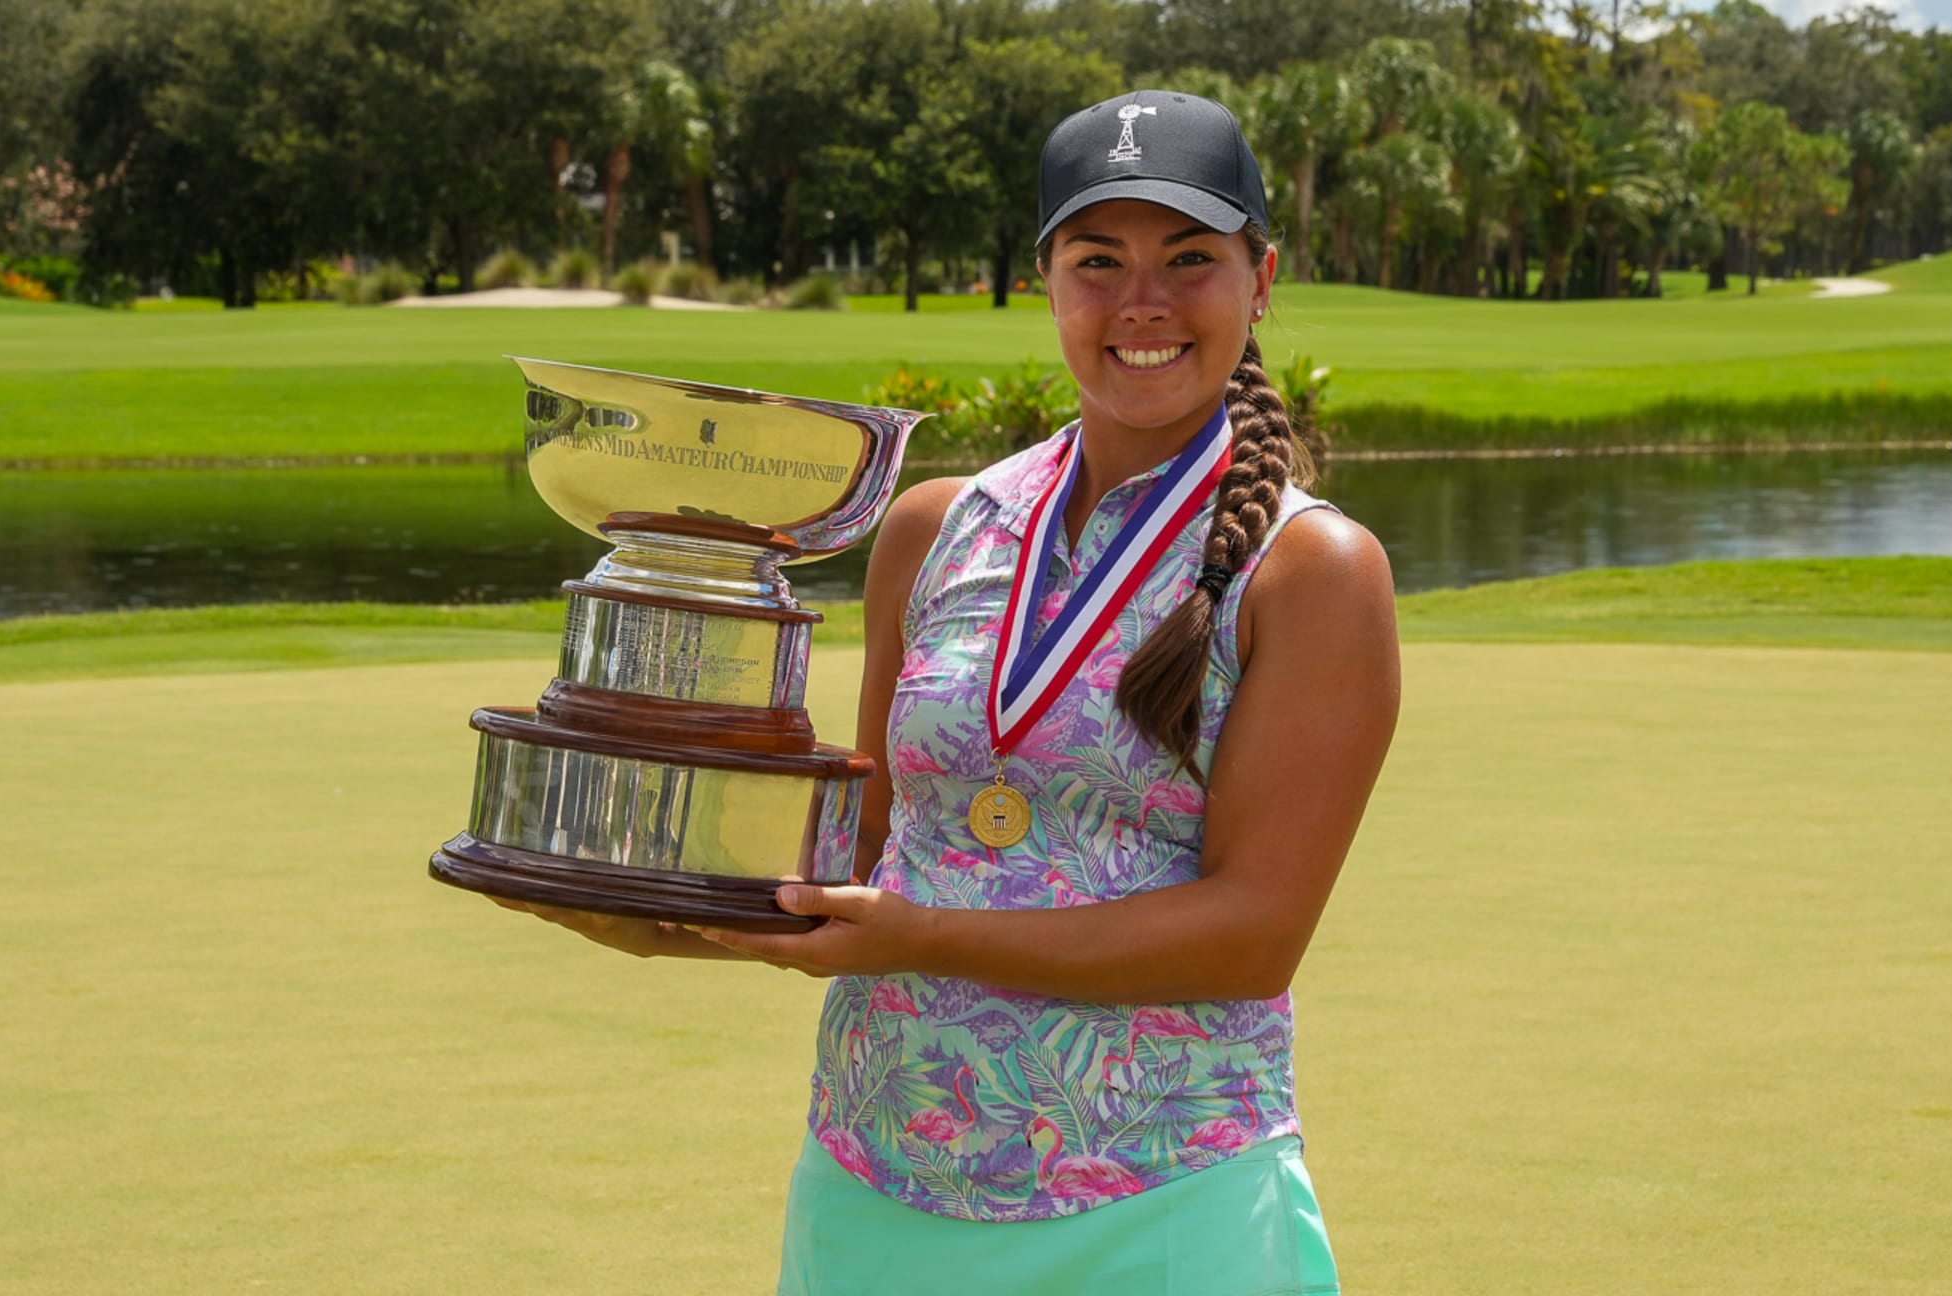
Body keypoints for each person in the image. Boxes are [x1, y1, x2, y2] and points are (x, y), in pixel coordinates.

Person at [499, 90, 1399, 1295]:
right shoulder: (934, 528)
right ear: (1046, 282)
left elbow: (1251, 936)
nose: (1143, 301)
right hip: (877, 1181)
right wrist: (683, 922)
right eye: (1098, 261)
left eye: (1191, 259)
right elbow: (871, 855)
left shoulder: (1314, 569)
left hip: (1159, 1195)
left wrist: (925, 938)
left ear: (1261, 277)